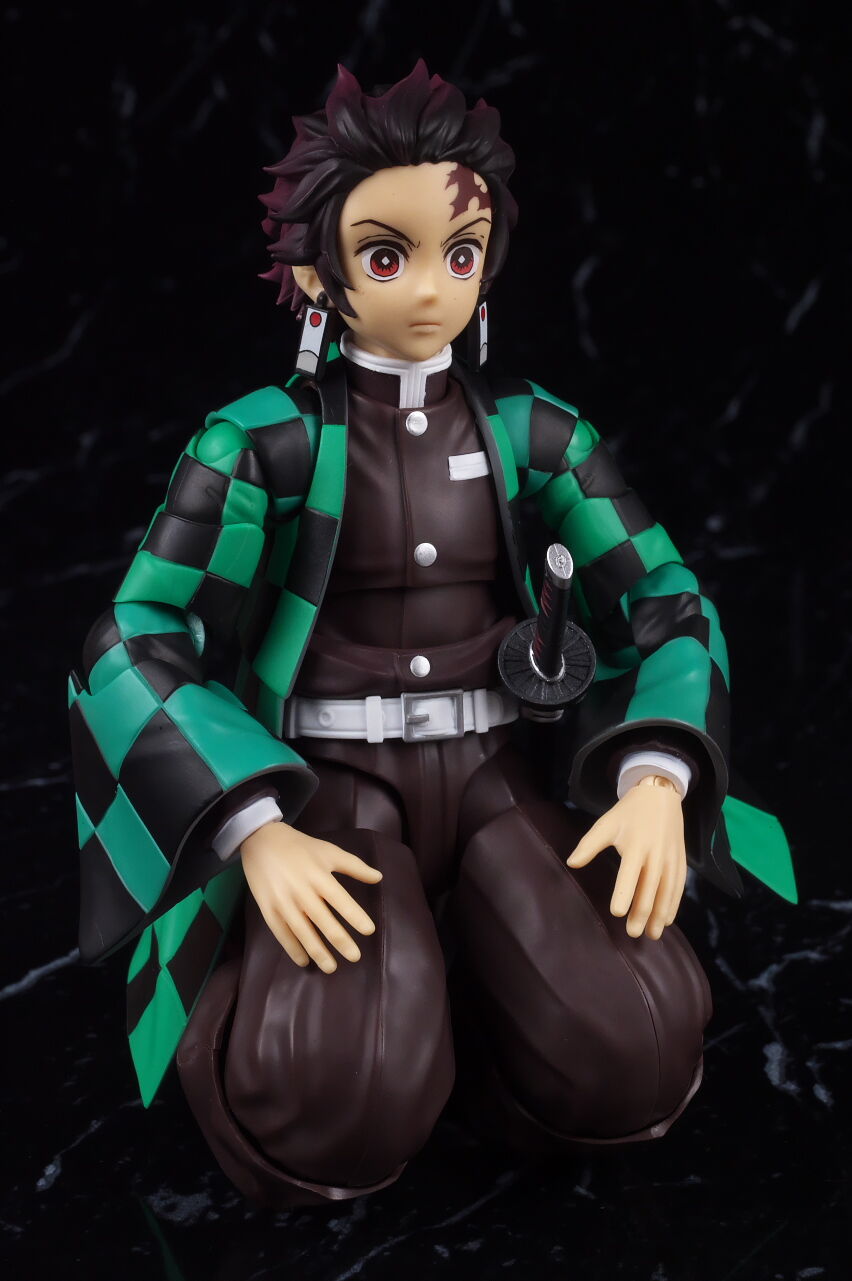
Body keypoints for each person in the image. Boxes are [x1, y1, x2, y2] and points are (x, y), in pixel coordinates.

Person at [69, 62, 791, 1208]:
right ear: (319, 271)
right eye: (384, 256)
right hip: (331, 786)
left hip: (502, 773)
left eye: (460, 254)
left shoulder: (535, 434)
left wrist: (658, 776)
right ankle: (395, 1014)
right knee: (327, 1094)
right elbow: (135, 632)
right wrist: (253, 828)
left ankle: (486, 1022)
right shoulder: (260, 447)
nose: (427, 289)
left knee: (638, 1046)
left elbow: (666, 597)